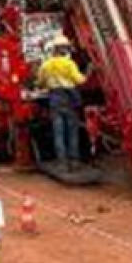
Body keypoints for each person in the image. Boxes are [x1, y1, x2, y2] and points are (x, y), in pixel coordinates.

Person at [37, 34, 87, 171]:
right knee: (72, 131)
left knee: (58, 132)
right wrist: (87, 74)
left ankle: (62, 163)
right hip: (69, 99)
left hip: (55, 99)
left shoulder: (46, 65)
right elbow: (79, 80)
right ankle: (74, 161)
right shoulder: (69, 64)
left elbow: (40, 82)